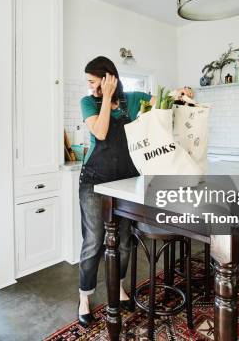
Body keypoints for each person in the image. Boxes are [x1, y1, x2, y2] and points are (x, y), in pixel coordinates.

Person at [77, 56, 192, 326]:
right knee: (94, 242)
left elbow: (161, 101)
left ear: (109, 78)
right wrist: (104, 97)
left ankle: (117, 286)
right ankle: (84, 296)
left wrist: (180, 93)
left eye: (94, 81)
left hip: (126, 181)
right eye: (89, 83)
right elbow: (102, 133)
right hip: (94, 181)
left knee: (125, 240)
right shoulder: (89, 102)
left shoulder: (132, 99)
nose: (90, 86)